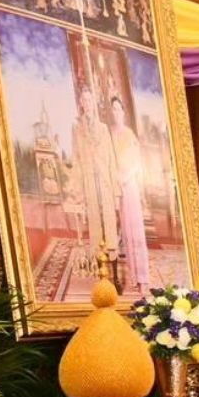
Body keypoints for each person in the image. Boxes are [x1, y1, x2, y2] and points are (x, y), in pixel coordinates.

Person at [106, 95, 153, 294]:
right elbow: (108, 160)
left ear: (123, 112)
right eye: (113, 109)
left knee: (136, 230)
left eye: (119, 109)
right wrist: (114, 179)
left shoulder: (129, 134)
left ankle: (143, 277)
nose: (116, 113)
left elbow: (136, 162)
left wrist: (125, 178)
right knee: (125, 232)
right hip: (116, 185)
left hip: (129, 184)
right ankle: (133, 276)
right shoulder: (109, 135)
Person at [69, 86, 118, 264]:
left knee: (109, 218)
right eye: (84, 100)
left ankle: (112, 256)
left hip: (104, 180)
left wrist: (115, 189)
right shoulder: (77, 129)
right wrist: (78, 188)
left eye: (90, 100)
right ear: (81, 103)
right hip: (89, 179)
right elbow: (76, 158)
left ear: (93, 102)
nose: (87, 103)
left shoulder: (103, 128)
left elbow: (111, 158)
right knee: (95, 219)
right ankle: (98, 258)